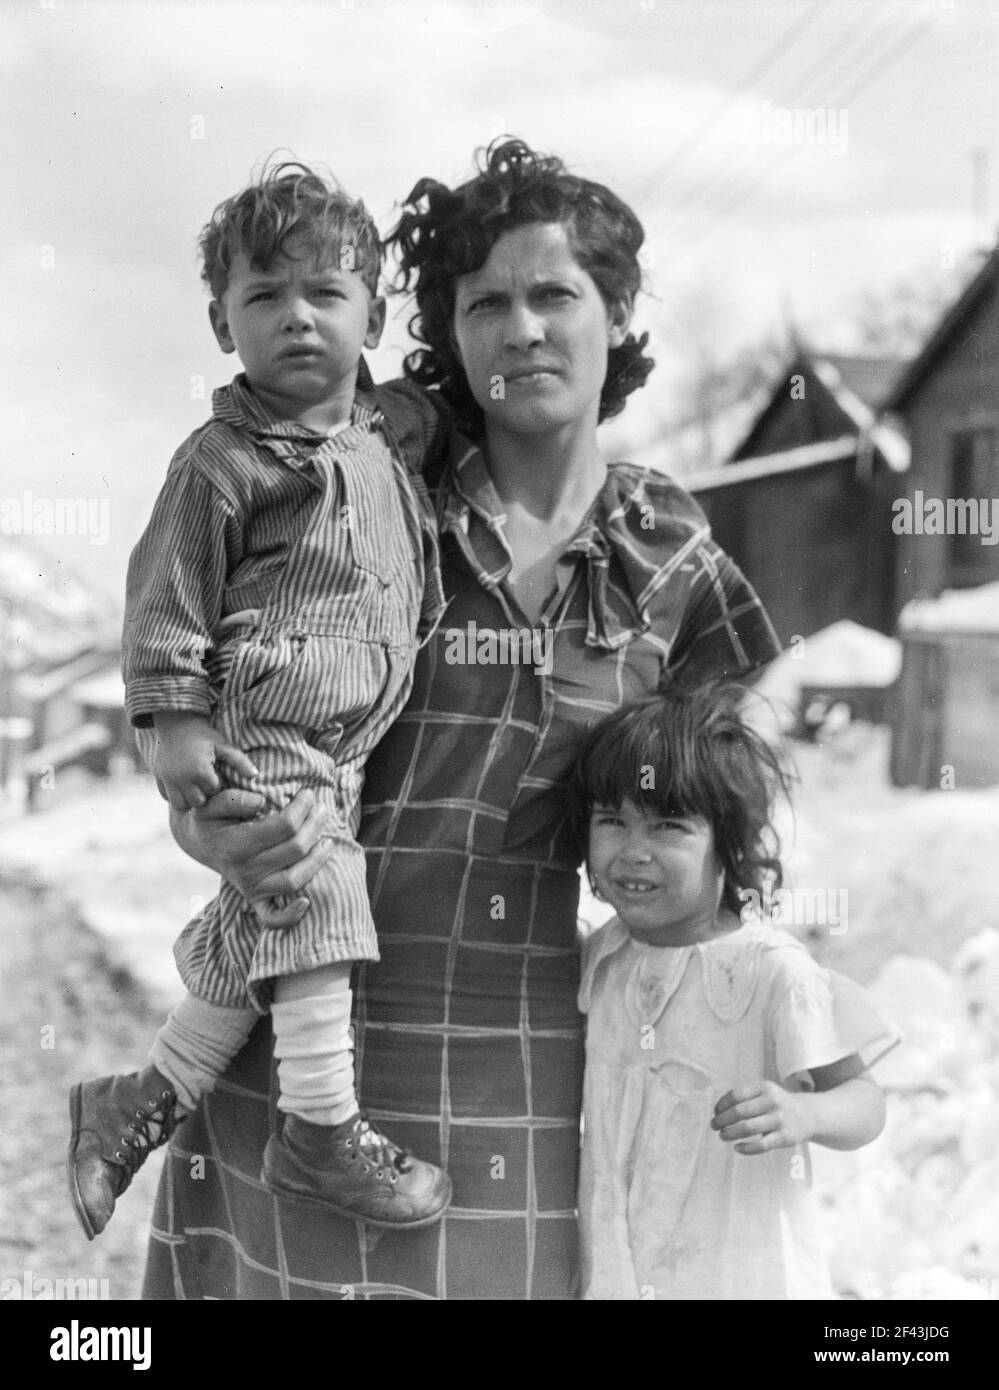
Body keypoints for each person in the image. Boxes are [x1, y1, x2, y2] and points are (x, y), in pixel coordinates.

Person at [139, 138, 783, 1300]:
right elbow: (216, 706)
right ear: (443, 329)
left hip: (523, 1059)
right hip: (301, 1038)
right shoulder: (363, 486)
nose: (522, 328)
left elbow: (713, 823)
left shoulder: (674, 560)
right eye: (486, 302)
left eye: (554, 294)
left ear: (616, 310)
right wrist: (211, 829)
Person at [67, 162, 453, 1243]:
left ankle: (135, 1103)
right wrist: (177, 723)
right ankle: (320, 1126)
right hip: (264, 723)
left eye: (326, 295)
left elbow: (430, 411)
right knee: (312, 890)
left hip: (345, 740)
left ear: (372, 311)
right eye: (265, 297)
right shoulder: (224, 461)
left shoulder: (384, 438)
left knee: (266, 918)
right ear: (220, 321)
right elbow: (167, 597)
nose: (297, 320)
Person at [571, 684, 893, 1299]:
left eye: (668, 826)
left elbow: (866, 1104)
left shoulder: (772, 974)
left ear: (729, 844)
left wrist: (805, 1112)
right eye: (612, 821)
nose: (634, 852)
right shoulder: (603, 960)